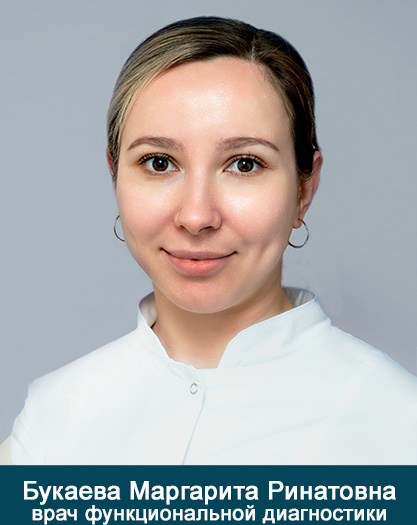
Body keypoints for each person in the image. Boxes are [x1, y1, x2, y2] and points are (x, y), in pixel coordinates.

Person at [1, 16, 416, 465]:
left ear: (304, 188)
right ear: (115, 174)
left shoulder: (395, 423)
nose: (196, 217)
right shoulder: (53, 416)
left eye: (244, 164)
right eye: (159, 163)